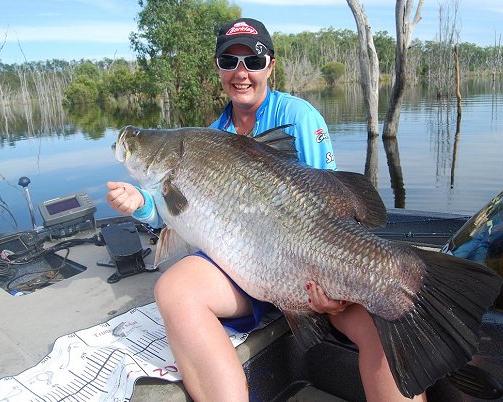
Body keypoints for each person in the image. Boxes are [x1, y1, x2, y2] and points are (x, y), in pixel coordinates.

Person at [106, 17, 425, 402]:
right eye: (229, 61)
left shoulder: (300, 117)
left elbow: (335, 210)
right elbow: (171, 214)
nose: (241, 73)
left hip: (317, 268)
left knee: (385, 327)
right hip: (250, 272)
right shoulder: (212, 133)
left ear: (270, 66)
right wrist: (141, 206)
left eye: (253, 62)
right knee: (173, 289)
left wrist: (332, 286)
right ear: (218, 68)